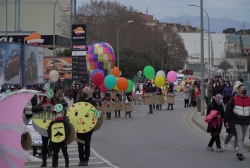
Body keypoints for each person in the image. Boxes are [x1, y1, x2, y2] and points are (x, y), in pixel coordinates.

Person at [32, 96, 57, 167]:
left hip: (53, 127)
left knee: (54, 145)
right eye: (47, 97)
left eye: (50, 97)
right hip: (43, 128)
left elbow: (62, 110)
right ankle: (44, 162)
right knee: (44, 145)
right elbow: (34, 108)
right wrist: (42, 108)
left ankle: (55, 163)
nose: (48, 99)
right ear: (45, 98)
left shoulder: (55, 104)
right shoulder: (42, 104)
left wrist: (53, 110)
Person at [226, 84, 250, 161]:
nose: (244, 89)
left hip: (246, 121)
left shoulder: (249, 99)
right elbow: (229, 110)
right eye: (243, 88)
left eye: (244, 88)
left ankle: (239, 152)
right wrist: (235, 116)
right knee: (240, 137)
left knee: (242, 138)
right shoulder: (234, 99)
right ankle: (240, 153)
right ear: (239, 90)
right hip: (238, 121)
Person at [77, 88, 98, 166]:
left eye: (85, 91)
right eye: (83, 91)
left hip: (89, 125)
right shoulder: (79, 101)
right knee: (80, 143)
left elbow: (96, 112)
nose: (83, 93)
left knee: (87, 143)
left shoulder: (92, 101)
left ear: (89, 93)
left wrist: (97, 109)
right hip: (79, 125)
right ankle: (81, 159)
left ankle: (86, 159)